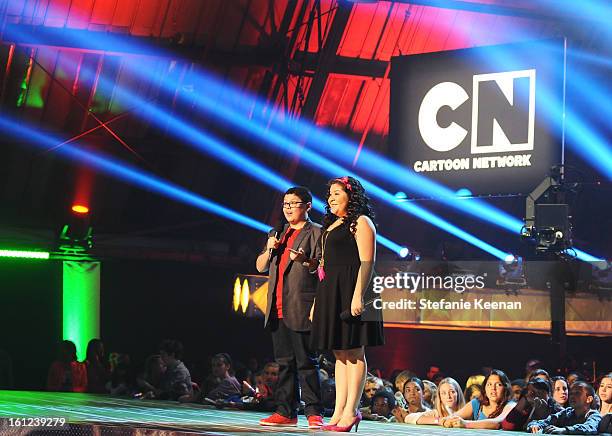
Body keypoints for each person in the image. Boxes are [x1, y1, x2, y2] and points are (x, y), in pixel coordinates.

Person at [311, 176, 384, 432]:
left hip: (353, 289)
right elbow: (323, 267)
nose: (330, 197)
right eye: (329, 193)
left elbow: (367, 262)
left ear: (351, 196)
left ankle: (352, 410)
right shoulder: (331, 224)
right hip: (332, 290)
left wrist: (357, 296)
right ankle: (339, 411)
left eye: (337, 193)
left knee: (354, 352)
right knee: (339, 354)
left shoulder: (361, 222)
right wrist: (318, 301)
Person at [256, 186, 323, 429]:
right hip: (277, 307)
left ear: (307, 206)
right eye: (285, 204)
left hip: (301, 306)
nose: (288, 208)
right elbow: (261, 265)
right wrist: (271, 247)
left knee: (306, 362)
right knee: (284, 363)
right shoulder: (277, 233)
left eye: (293, 204)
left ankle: (314, 412)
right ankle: (285, 411)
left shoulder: (316, 232)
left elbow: (323, 268)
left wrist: (304, 260)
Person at [441, 369, 515, 429]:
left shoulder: (511, 405)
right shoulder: (477, 403)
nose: (493, 388)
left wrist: (466, 424)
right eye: (489, 384)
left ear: (505, 388)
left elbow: (497, 423)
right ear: (484, 388)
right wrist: (447, 420)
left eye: (498, 385)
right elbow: (454, 416)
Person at [527, 381, 601, 434]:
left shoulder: (594, 415)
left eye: (577, 393)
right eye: (571, 393)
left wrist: (564, 430)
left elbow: (590, 428)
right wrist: (535, 425)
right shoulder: (567, 412)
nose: (572, 396)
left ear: (589, 399)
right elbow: (547, 421)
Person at [399, 377, 466, 426]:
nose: (448, 396)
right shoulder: (436, 413)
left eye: (452, 392)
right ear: (440, 397)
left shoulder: (469, 411)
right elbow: (409, 417)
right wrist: (440, 420)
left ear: (458, 393)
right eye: (443, 393)